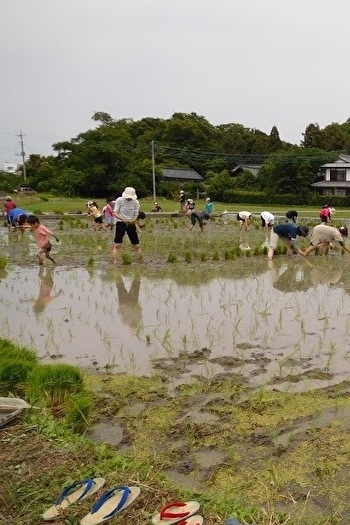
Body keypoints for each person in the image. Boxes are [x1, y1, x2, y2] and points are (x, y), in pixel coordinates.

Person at [112, 187, 141, 264]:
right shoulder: (119, 200)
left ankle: (140, 260)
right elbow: (115, 212)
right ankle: (114, 261)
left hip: (131, 224)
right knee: (117, 244)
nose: (129, 199)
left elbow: (136, 214)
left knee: (136, 245)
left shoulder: (136, 202)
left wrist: (131, 220)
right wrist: (122, 219)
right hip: (120, 223)